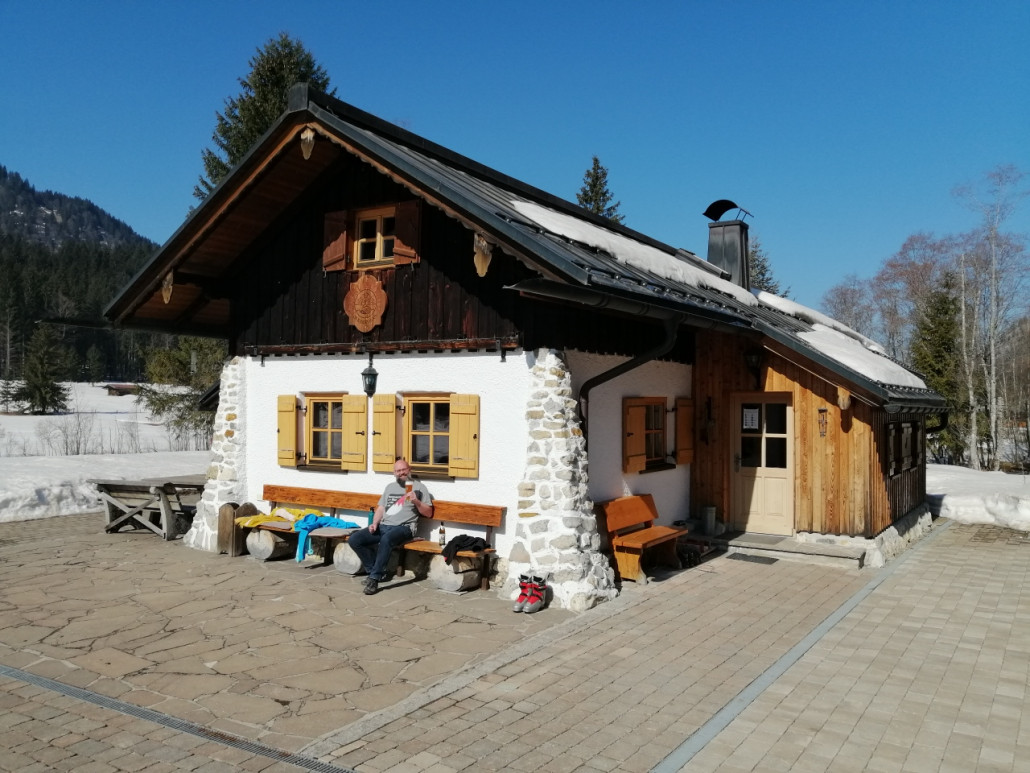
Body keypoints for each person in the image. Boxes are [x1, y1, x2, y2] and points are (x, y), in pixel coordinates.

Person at [349, 458, 434, 595]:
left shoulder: (419, 487)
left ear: (409, 470)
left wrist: (416, 501)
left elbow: (429, 513)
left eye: (403, 470)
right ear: (394, 473)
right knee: (355, 539)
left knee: (387, 539)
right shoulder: (390, 487)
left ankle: (374, 579)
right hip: (384, 525)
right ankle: (374, 571)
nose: (401, 473)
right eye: (398, 471)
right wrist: (375, 523)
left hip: (405, 528)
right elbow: (381, 508)